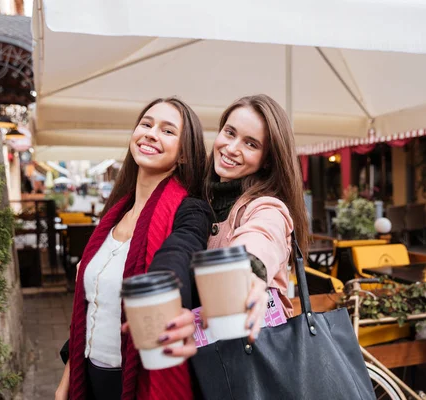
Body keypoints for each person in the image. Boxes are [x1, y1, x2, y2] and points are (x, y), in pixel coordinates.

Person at [55, 97, 211, 400]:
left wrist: (163, 286)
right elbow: (89, 309)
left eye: (168, 131)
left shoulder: (191, 212)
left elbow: (181, 249)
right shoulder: (114, 214)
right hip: (87, 375)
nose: (151, 133)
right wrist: (66, 383)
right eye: (146, 124)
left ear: (184, 154)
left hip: (137, 380)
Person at [203, 94, 308, 331]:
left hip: (249, 356)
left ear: (268, 161)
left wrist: (248, 270)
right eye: (230, 133)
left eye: (251, 144)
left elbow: (263, 236)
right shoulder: (201, 197)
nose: (231, 148)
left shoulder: (267, 207)